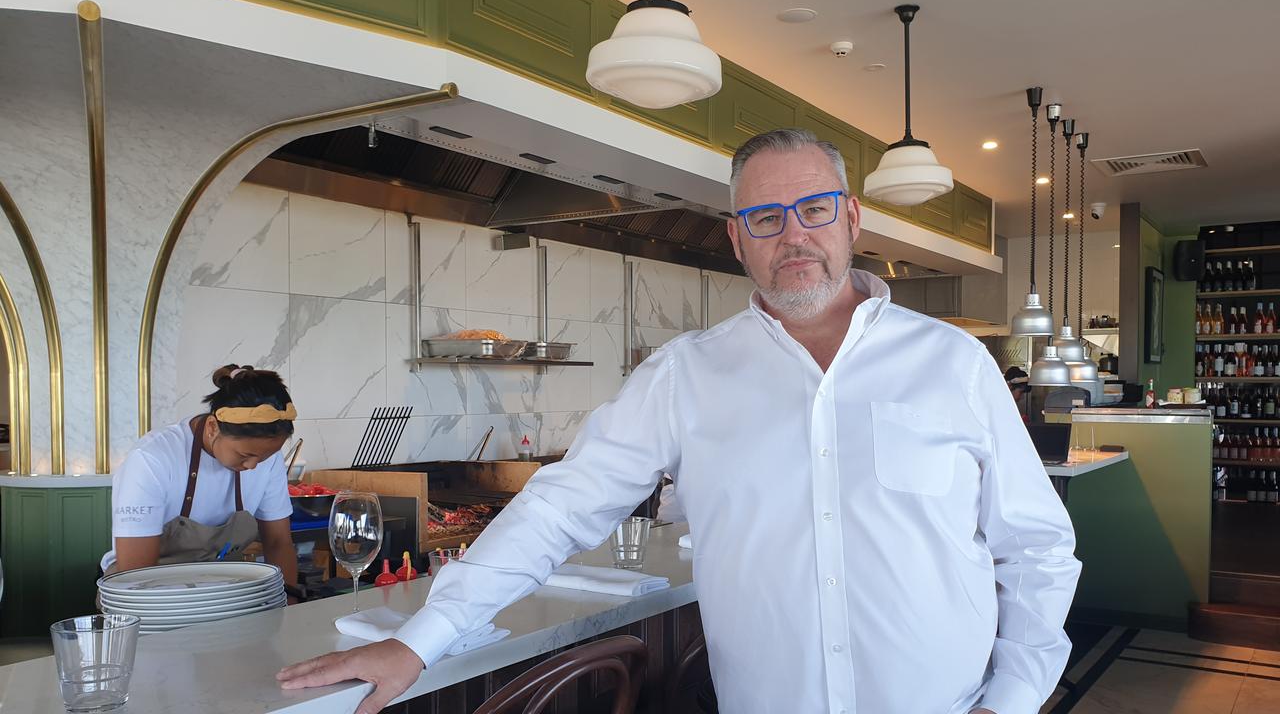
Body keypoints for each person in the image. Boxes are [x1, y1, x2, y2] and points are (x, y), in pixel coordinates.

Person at [278, 129, 1080, 714]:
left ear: (851, 218)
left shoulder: (953, 365)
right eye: (765, 218)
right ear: (737, 239)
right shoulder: (685, 375)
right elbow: (562, 504)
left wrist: (1010, 699)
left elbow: (1035, 546)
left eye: (813, 208)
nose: (792, 234)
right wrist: (422, 636)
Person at [101, 364, 299, 595]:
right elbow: (135, 572)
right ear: (213, 427)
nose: (253, 465)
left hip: (221, 593)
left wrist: (288, 602)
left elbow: (278, 542)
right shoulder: (151, 460)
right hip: (146, 597)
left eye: (266, 457)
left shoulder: (267, 460)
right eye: (245, 455)